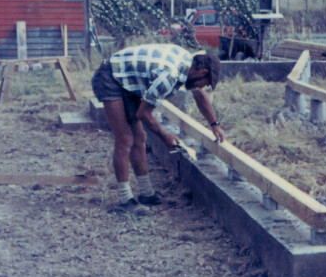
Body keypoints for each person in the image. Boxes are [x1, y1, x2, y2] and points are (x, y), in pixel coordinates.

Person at [90, 44, 225, 212]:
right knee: (125, 138)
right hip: (110, 76)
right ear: (202, 72)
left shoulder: (188, 62)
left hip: (129, 79)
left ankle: (146, 193)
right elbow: (143, 114)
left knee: (139, 137)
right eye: (205, 83)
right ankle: (126, 200)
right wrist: (164, 136)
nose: (202, 87)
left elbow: (199, 95)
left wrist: (214, 124)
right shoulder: (168, 76)